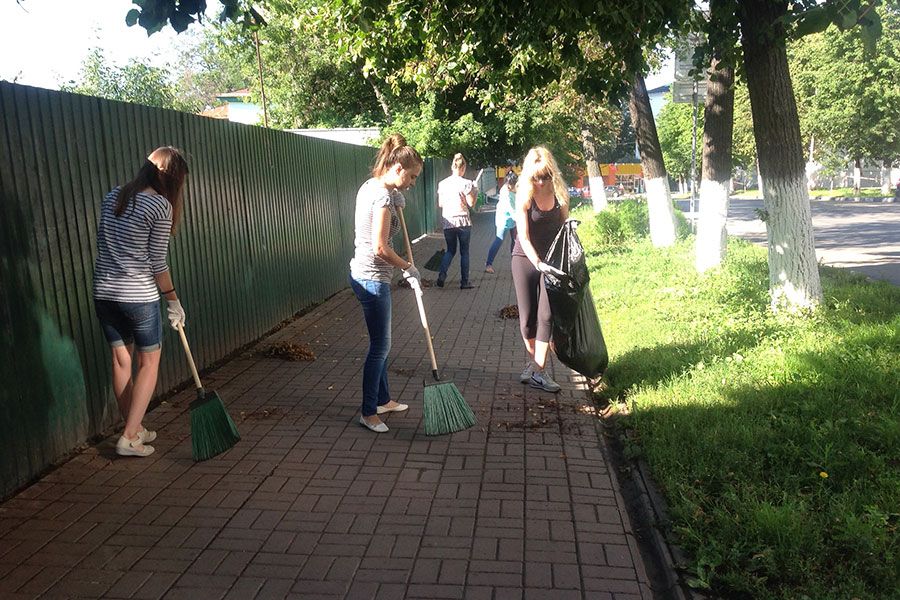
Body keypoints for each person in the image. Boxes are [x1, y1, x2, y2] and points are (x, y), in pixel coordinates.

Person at [93, 147, 189, 457]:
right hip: (138, 297)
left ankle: (132, 428)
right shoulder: (160, 205)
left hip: (104, 293)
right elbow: (157, 262)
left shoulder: (114, 196)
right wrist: (173, 301)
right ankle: (129, 438)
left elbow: (104, 243)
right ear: (173, 178)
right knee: (148, 364)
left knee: (121, 363)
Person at [349, 133, 424, 433]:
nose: (413, 183)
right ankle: (369, 412)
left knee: (380, 342)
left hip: (364, 274)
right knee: (380, 346)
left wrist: (396, 198)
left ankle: (384, 399)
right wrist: (408, 267)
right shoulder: (380, 196)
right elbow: (381, 247)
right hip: (372, 279)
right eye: (412, 177)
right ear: (397, 168)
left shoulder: (374, 186)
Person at [511, 146, 569, 393]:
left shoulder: (560, 195)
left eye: (545, 176)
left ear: (552, 173)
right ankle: (535, 366)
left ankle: (539, 371)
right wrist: (537, 262)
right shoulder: (523, 196)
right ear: (529, 176)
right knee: (527, 320)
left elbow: (565, 228)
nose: (541, 181)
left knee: (546, 316)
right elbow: (523, 236)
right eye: (536, 177)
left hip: (552, 263)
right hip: (525, 259)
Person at [436, 153, 477, 289]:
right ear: (463, 167)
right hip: (463, 221)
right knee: (464, 252)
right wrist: (474, 192)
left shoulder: (442, 184)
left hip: (448, 221)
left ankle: (442, 275)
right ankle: (464, 282)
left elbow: (441, 204)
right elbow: (471, 204)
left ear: (452, 167)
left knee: (450, 250)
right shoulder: (467, 183)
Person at [485, 171, 518, 273]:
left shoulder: (516, 188)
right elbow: (510, 209)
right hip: (504, 219)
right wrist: (519, 218)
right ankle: (488, 264)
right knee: (499, 240)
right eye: (509, 185)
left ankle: (515, 264)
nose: (510, 187)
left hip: (513, 219)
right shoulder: (506, 193)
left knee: (515, 241)